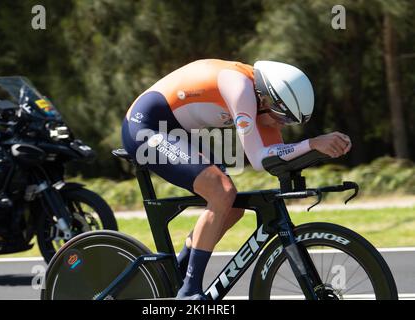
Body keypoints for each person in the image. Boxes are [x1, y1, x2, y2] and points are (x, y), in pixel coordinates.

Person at [121, 59, 351, 299]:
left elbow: (276, 160)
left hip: (177, 131)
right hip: (145, 126)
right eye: (282, 118)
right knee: (221, 191)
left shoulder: (264, 106)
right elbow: (259, 158)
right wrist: (313, 143)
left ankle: (175, 273)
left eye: (289, 121)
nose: (280, 125)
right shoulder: (240, 88)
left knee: (232, 208)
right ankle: (189, 293)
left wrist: (320, 151)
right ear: (266, 100)